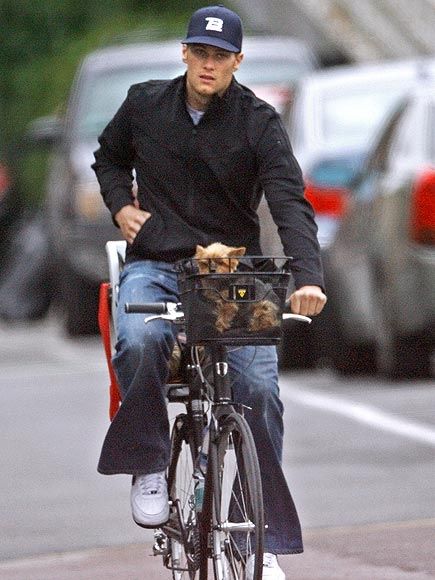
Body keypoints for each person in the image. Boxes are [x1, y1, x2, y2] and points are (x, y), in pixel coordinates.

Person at [92, 5, 326, 578]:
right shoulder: (145, 103)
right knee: (141, 342)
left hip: (230, 277)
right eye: (200, 52)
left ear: (237, 62)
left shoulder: (259, 122)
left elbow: (289, 201)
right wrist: (121, 204)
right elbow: (108, 156)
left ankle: (257, 537)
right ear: (185, 53)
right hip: (159, 263)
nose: (208, 64)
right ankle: (149, 461)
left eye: (220, 56)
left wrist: (309, 277)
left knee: (258, 389)